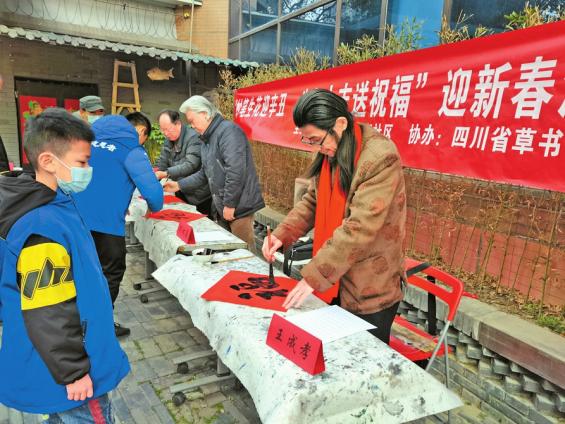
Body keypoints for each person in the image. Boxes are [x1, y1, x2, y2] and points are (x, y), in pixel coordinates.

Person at [0, 108, 129, 420]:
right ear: (47, 161)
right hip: (72, 373)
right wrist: (73, 372)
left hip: (61, 359)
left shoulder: (52, 202)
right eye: (81, 162)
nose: (88, 170)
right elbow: (49, 309)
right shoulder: (40, 226)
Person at [262, 89, 407, 344]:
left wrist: (314, 276)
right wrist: (282, 234)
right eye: (309, 141)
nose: (317, 148)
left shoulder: (379, 157)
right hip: (336, 279)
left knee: (362, 364)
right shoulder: (331, 149)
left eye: (317, 140)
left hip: (369, 287)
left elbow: (359, 227)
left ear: (340, 123)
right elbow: (312, 201)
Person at [73, 114, 164, 337]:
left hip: (73, 218)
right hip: (105, 223)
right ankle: (99, 326)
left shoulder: (88, 142)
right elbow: (153, 193)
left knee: (82, 271)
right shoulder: (131, 149)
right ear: (140, 131)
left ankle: (78, 320)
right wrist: (153, 206)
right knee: (111, 271)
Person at [164, 96, 265, 253]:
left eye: (192, 121)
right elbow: (205, 173)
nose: (191, 126)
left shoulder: (229, 132)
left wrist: (230, 204)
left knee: (244, 252)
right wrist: (178, 185)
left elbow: (236, 170)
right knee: (226, 250)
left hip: (239, 205)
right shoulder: (206, 139)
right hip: (221, 205)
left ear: (205, 114)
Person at [155, 109, 211, 216]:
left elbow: (191, 165)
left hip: (199, 194)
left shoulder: (193, 137)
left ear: (178, 124)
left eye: (168, 129)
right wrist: (156, 176)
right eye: (162, 130)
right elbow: (163, 161)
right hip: (180, 190)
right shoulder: (168, 140)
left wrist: (166, 173)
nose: (166, 133)